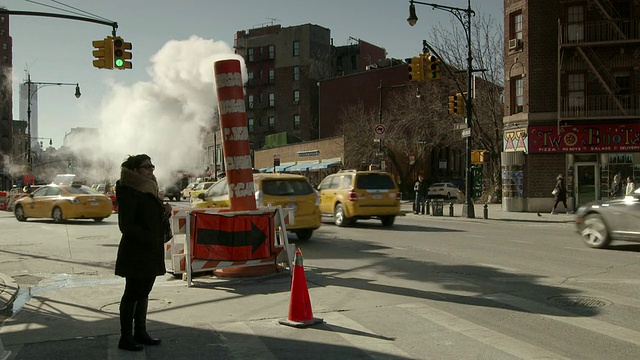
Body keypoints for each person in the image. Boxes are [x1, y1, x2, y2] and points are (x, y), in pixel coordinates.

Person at [115, 154, 171, 351]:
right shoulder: (129, 190)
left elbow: (151, 218)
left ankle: (141, 331)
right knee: (132, 293)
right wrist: (149, 238)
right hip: (136, 251)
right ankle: (126, 337)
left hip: (150, 250)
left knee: (144, 292)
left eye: (152, 166)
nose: (151, 170)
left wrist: (164, 211)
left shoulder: (150, 188)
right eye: (146, 167)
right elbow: (126, 225)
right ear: (135, 170)